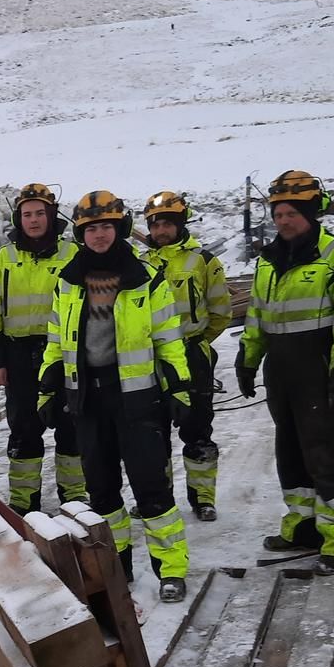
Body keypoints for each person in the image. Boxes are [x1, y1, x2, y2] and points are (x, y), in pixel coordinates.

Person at [38, 191, 194, 602]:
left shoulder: (146, 279)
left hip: (138, 400)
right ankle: (116, 566)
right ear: (81, 234)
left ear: (120, 229)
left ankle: (171, 568)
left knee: (151, 488)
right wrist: (47, 385)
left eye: (107, 226)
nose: (100, 235)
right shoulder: (68, 282)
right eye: (91, 229)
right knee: (102, 491)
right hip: (88, 400)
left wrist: (178, 385)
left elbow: (168, 338)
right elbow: (56, 340)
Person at [235, 171, 334, 573]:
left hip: (320, 370)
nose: (284, 221)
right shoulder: (268, 261)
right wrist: (248, 358)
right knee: (290, 455)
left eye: (292, 213)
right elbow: (257, 315)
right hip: (282, 371)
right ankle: (302, 527)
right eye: (278, 214)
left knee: (326, 455)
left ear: (312, 213)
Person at [0, 184, 85, 513]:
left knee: (71, 429)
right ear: (18, 218)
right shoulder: (5, 259)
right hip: (19, 357)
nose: (34, 219)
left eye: (40, 213)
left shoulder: (72, 255)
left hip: (65, 355)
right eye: (27, 214)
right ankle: (24, 503)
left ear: (52, 215)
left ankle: (75, 498)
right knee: (24, 431)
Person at [140, 191, 231, 521]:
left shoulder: (203, 262)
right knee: (152, 433)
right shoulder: (139, 265)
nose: (161, 230)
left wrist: (198, 343)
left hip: (192, 354)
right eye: (155, 224)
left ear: (180, 225)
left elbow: (221, 311)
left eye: (167, 224)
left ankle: (203, 498)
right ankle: (157, 497)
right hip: (150, 360)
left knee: (197, 430)